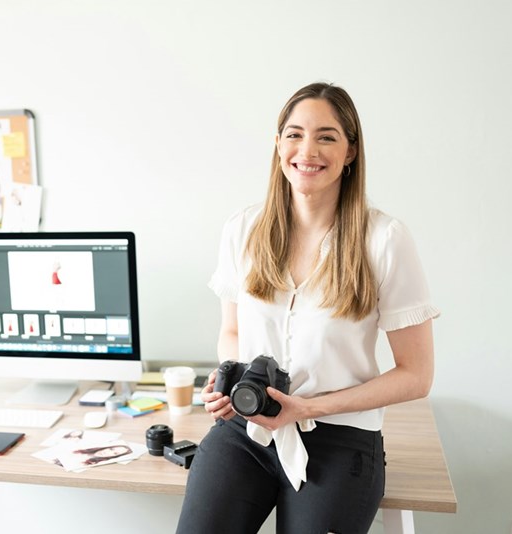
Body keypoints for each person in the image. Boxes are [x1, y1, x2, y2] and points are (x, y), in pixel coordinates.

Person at [176, 82, 439, 534]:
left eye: (327, 136)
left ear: (351, 151)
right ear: (278, 144)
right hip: (248, 428)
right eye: (294, 134)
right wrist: (227, 379)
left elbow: (416, 375)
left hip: (341, 440)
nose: (307, 149)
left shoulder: (385, 240)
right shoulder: (243, 230)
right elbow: (233, 332)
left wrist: (307, 409)